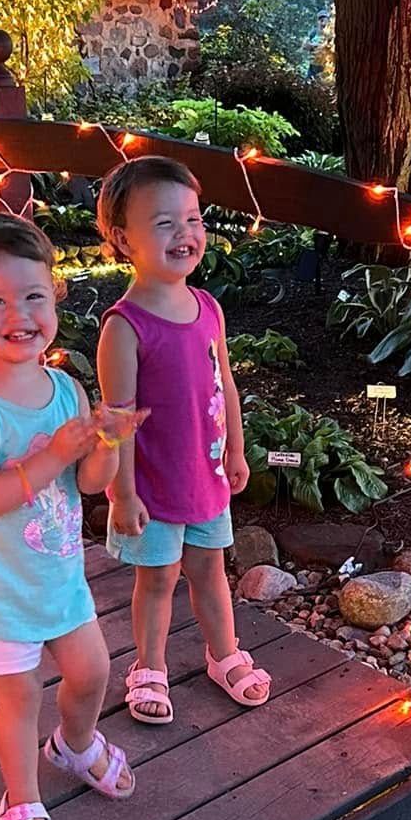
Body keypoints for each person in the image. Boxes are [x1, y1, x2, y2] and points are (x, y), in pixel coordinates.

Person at [0, 213, 135, 820]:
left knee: (93, 671)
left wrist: (106, 439)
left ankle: (74, 746)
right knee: (19, 697)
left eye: (33, 297)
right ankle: (20, 802)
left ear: (55, 301)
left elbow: (90, 481)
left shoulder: (67, 387)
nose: (18, 313)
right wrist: (53, 454)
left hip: (56, 576)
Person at [96, 156, 271, 725]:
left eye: (193, 220)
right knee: (158, 578)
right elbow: (118, 418)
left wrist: (238, 452)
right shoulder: (124, 326)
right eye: (164, 223)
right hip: (151, 484)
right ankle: (149, 667)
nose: (186, 234)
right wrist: (123, 494)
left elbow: (227, 386)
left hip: (206, 473)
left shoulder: (209, 309)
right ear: (124, 239)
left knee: (209, 569)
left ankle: (224, 654)